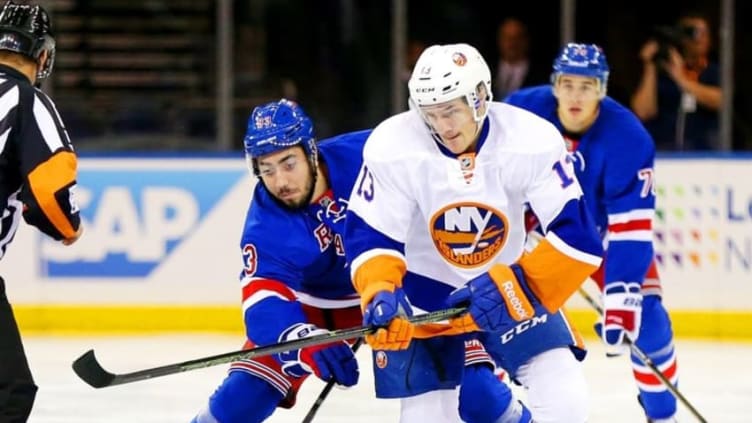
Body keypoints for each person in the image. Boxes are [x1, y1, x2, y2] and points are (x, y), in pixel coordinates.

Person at [191, 99, 528, 423]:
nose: (280, 181)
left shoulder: (372, 153)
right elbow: (262, 302)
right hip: (319, 309)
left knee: (479, 397)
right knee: (242, 398)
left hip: (404, 291)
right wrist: (303, 340)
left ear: (311, 151)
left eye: (288, 163)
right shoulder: (267, 221)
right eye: (267, 169)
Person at [344, 43, 604, 423]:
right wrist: (379, 291)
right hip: (425, 297)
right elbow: (372, 235)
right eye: (431, 114)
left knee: (564, 394)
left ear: (481, 97)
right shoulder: (392, 146)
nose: (444, 126)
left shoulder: (529, 139)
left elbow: (578, 237)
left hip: (511, 290)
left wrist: (516, 285)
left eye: (451, 110)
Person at [505, 43, 681, 423]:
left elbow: (630, 227)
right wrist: (516, 230)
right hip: (530, 236)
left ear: (602, 88)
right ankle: (495, 407)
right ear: (554, 85)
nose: (575, 96)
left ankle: (663, 416)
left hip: (596, 237)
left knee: (648, 320)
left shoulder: (628, 138)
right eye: (567, 84)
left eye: (586, 86)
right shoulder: (518, 113)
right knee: (499, 314)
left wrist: (622, 292)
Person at [0, 1, 84, 421]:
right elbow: (50, 188)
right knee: (9, 393)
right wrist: (69, 227)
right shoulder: (27, 100)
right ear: (44, 55)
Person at [630, 11, 721, 151]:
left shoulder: (713, 72)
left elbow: (720, 101)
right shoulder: (662, 72)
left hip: (704, 154)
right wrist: (649, 66)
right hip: (666, 153)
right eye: (694, 32)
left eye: (706, 33)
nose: (701, 38)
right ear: (682, 37)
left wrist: (681, 79)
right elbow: (643, 112)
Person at [492, 18, 547, 100]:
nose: (512, 43)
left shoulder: (541, 77)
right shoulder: (486, 70)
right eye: (507, 38)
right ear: (499, 40)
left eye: (517, 38)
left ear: (526, 40)